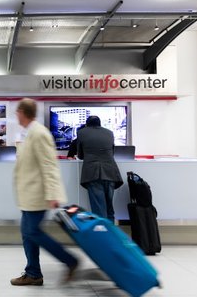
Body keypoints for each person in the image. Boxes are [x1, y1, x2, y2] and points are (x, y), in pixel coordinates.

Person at [11, 98, 79, 286]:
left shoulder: (39, 133)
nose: (16, 114)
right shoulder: (28, 133)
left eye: (17, 111)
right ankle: (33, 273)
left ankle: (70, 260)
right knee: (28, 233)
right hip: (29, 195)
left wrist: (53, 194)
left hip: (38, 194)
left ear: (23, 113)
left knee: (33, 231)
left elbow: (49, 165)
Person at [77, 115, 123, 222]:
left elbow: (80, 155)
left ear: (87, 124)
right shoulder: (109, 132)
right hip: (111, 172)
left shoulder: (81, 132)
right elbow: (112, 152)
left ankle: (102, 234)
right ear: (100, 123)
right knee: (109, 208)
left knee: (99, 209)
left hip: (93, 173)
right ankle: (112, 234)